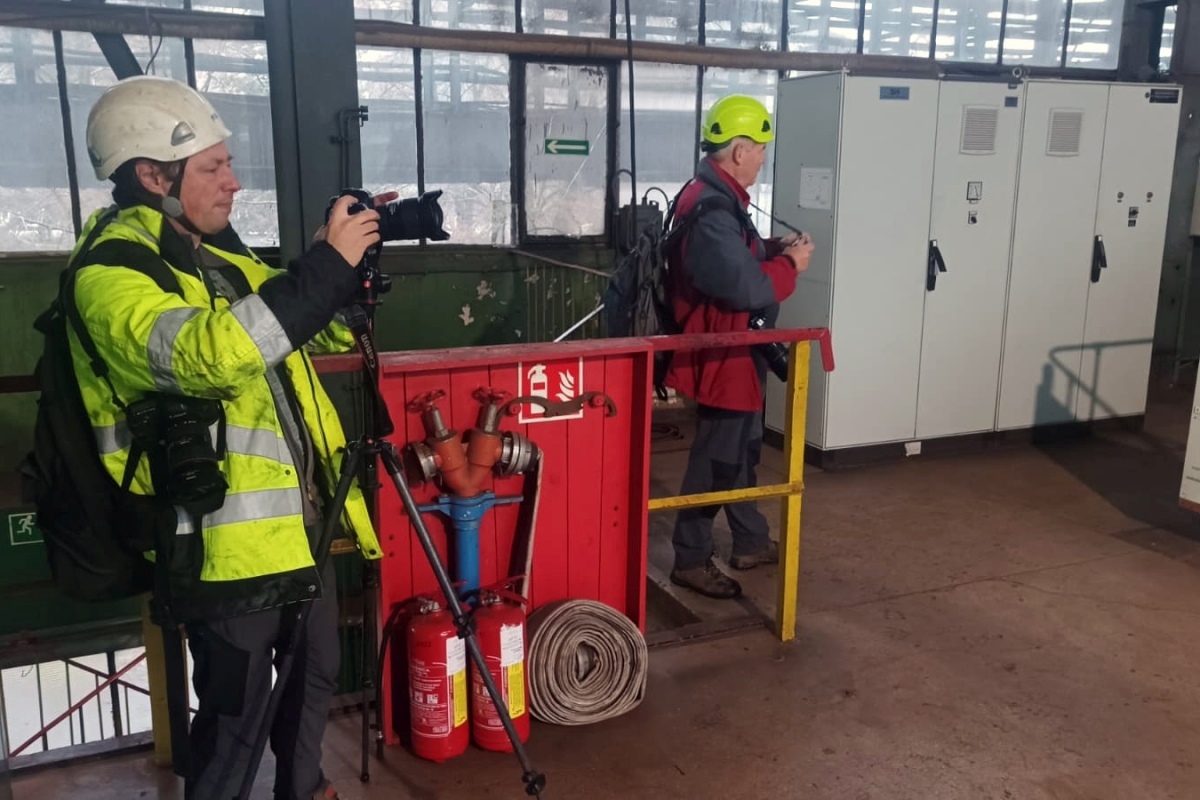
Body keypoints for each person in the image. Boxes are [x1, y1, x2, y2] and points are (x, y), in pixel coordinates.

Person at [77, 75, 387, 800]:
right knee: (237, 717)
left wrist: (344, 269)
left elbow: (313, 328)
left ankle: (304, 789)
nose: (234, 182)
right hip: (219, 545)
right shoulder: (111, 276)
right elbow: (209, 356)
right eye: (213, 167)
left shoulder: (220, 259)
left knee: (313, 678)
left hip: (297, 526)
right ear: (152, 176)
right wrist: (323, 271)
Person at [664, 94, 813, 600]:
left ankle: (749, 539)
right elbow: (743, 287)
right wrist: (789, 266)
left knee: (742, 449)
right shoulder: (711, 209)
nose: (764, 158)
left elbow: (734, 258)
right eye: (761, 149)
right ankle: (690, 558)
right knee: (717, 459)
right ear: (740, 150)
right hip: (722, 354)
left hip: (736, 350)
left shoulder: (718, 197)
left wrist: (771, 249)